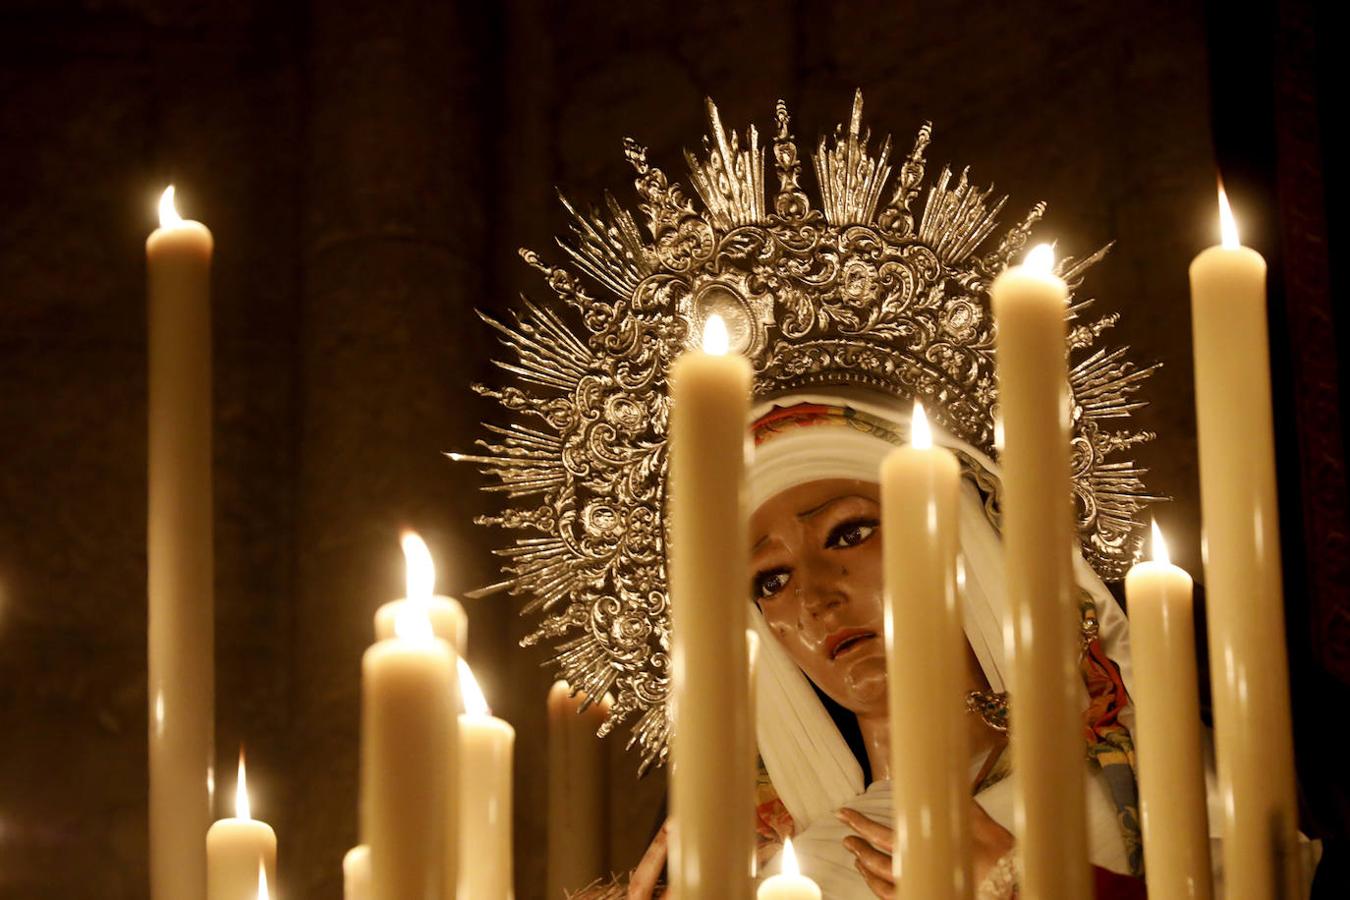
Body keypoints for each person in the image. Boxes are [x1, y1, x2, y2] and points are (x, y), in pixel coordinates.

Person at [625, 391, 1149, 899]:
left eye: (849, 534)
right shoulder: (785, 873)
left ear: (963, 539)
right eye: (771, 581)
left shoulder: (1143, 778)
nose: (814, 599)